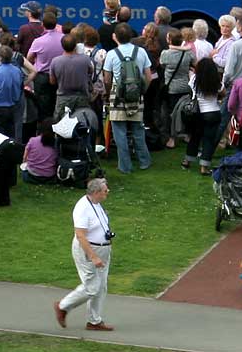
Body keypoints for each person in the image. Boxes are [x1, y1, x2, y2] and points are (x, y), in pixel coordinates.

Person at [54, 178, 114, 332]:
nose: (108, 192)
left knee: (101, 287)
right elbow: (80, 235)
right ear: (95, 192)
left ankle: (94, 321)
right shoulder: (82, 208)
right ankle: (62, 306)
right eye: (105, 191)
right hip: (88, 251)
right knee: (92, 287)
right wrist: (93, 256)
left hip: (103, 250)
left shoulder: (96, 203)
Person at [102, 23, 154, 174]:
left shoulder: (112, 54)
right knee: (138, 129)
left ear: (115, 36)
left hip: (117, 96)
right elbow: (149, 77)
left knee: (119, 131)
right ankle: (144, 161)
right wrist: (142, 91)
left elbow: (107, 79)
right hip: (136, 94)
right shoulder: (141, 52)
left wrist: (108, 93)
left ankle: (125, 166)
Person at [183, 57, 223, 175]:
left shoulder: (194, 79)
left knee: (194, 137)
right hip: (213, 111)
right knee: (209, 140)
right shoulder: (216, 80)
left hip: (198, 112)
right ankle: (204, 167)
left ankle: (187, 160)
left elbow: (191, 91)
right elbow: (222, 92)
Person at [22, 119, 58, 183]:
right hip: (50, 176)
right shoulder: (56, 143)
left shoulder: (33, 140)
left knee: (24, 168)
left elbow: (24, 158)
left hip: (32, 175)